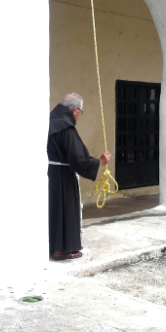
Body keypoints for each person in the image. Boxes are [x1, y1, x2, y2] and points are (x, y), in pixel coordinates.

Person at [48, 92, 111, 259]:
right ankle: (61, 249)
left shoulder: (50, 121)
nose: (79, 116)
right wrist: (99, 162)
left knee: (54, 209)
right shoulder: (66, 127)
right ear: (74, 110)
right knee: (65, 209)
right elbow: (77, 156)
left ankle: (53, 246)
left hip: (50, 173)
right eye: (80, 112)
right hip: (63, 175)